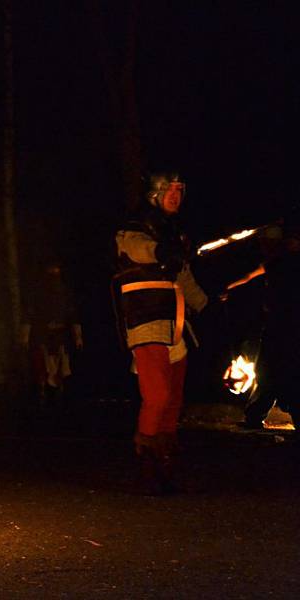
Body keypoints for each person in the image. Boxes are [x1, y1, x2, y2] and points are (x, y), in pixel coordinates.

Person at [113, 172, 208, 494]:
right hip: (145, 319)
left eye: (180, 190)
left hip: (175, 322)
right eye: (170, 190)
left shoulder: (174, 234)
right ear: (155, 193)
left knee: (174, 397)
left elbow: (184, 276)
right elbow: (138, 249)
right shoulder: (135, 226)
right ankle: (147, 464)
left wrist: (206, 306)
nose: (175, 195)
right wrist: (161, 251)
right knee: (157, 395)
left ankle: (166, 463)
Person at [226, 213, 300, 431]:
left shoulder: (287, 262)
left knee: (281, 371)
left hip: (289, 326)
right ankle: (254, 417)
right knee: (270, 372)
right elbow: (250, 275)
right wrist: (228, 288)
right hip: (276, 326)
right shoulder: (276, 262)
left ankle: (258, 416)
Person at [20, 259, 83, 409]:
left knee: (60, 368)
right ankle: (42, 398)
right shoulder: (37, 293)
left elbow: (73, 315)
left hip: (60, 337)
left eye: (56, 272)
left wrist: (78, 337)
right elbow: (29, 315)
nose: (54, 275)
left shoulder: (65, 293)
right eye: (51, 272)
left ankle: (59, 399)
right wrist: (24, 337)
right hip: (42, 337)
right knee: (43, 368)